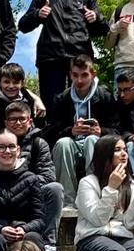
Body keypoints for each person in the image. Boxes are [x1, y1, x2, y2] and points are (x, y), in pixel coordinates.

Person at [17, 0, 108, 100]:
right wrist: (38, 14)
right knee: (52, 105)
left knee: (81, 105)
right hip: (51, 58)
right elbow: (23, 25)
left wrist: (95, 18)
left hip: (80, 59)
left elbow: (104, 29)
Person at [46, 55, 120, 206]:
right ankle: (67, 201)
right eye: (75, 75)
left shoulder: (105, 97)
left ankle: (93, 196)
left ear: (93, 74)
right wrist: (71, 131)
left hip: (94, 144)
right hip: (71, 145)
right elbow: (50, 133)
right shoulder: (61, 99)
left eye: (84, 75)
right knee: (63, 143)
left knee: (93, 140)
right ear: (70, 75)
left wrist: (101, 132)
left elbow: (118, 131)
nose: (79, 81)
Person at [3, 101, 64, 251]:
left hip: (32, 195)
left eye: (22, 119)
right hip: (4, 196)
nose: (17, 123)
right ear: (6, 123)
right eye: (13, 119)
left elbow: (48, 175)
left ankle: (49, 244)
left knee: (54, 188)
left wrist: (23, 185)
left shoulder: (39, 144)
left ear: (30, 121)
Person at [0, 61, 46, 138]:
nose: (11, 86)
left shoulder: (29, 99)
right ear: (0, 82)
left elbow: (38, 126)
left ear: (22, 84)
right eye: (6, 82)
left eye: (15, 82)